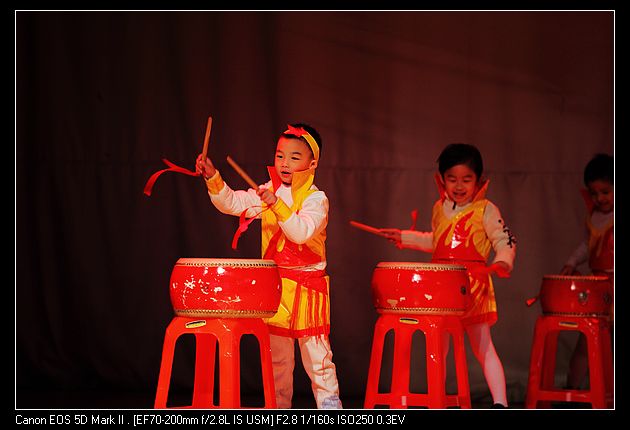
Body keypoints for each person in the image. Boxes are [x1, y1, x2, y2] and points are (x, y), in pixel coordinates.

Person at [195, 123, 342, 409]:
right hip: (277, 287)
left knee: (318, 361)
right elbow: (233, 203)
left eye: (294, 157)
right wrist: (213, 178)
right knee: (277, 362)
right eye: (280, 156)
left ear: (312, 163)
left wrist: (277, 204)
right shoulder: (267, 191)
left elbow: (300, 232)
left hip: (308, 290)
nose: (284, 163)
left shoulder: (316, 199)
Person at [380, 143, 516, 408]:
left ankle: (500, 403)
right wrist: (404, 237)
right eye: (452, 179)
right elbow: (436, 241)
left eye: (467, 179)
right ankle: (437, 400)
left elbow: (504, 239)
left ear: (479, 180)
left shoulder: (486, 209)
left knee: (483, 346)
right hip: (441, 287)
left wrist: (503, 261)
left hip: (472, 286)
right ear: (441, 179)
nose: (459, 185)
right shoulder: (438, 207)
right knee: (438, 348)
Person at [560, 153, 614, 390]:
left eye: (605, 192)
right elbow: (587, 245)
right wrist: (572, 263)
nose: (599, 198)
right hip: (599, 285)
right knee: (587, 339)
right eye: (594, 193)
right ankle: (572, 391)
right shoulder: (594, 217)